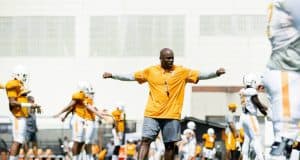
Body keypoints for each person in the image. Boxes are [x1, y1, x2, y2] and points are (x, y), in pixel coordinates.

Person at [102, 48, 226, 160]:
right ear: (161, 59)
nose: (171, 60)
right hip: (152, 113)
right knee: (145, 140)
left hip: (172, 115)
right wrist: (113, 75)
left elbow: (200, 74)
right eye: (168, 58)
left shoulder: (181, 71)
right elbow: (131, 76)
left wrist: (216, 73)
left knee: (170, 145)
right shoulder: (151, 71)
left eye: (172, 58)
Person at [263, 0, 300, 159]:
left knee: (289, 135)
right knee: (286, 136)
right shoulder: (290, 3)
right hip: (287, 72)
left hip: (286, 71)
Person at [53, 81, 111, 160]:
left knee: (84, 141)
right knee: (78, 141)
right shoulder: (79, 96)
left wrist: (102, 113)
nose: (91, 94)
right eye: (88, 91)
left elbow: (91, 108)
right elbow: (70, 106)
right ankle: (75, 158)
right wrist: (61, 114)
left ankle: (83, 158)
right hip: (78, 120)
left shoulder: (87, 99)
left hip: (85, 120)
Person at [5, 65, 41, 160]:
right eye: (23, 75)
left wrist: (31, 104)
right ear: (18, 74)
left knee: (20, 141)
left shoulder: (19, 84)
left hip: (22, 116)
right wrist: (29, 105)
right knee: (17, 141)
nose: (25, 78)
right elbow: (12, 102)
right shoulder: (13, 84)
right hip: (17, 116)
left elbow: (21, 99)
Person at [239, 73, 268, 160]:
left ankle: (245, 158)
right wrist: (265, 112)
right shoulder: (251, 91)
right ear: (252, 81)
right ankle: (260, 158)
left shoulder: (243, 91)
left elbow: (251, 99)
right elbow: (256, 102)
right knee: (257, 138)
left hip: (243, 117)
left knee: (247, 139)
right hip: (251, 117)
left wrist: (264, 107)